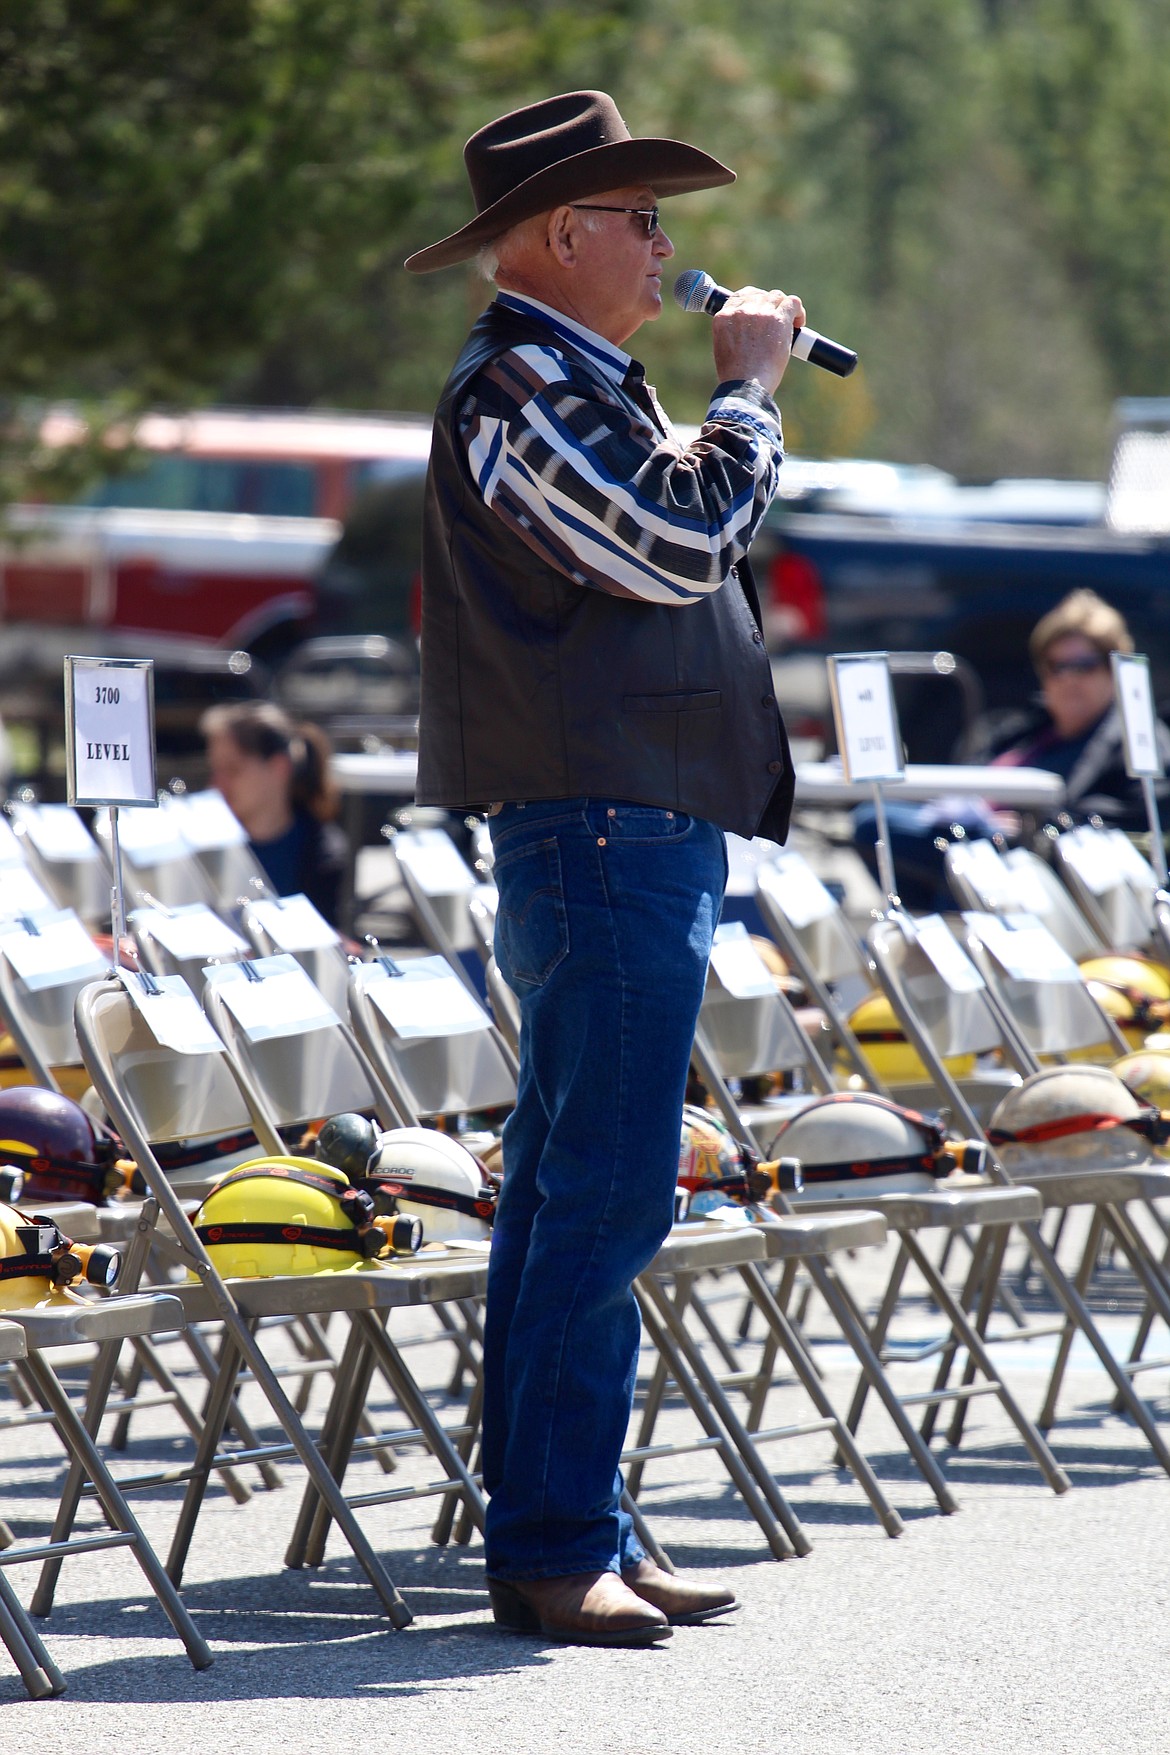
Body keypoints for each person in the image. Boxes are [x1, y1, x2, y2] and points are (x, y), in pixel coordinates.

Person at [405, 89, 804, 1646]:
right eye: (641, 218)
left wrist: (720, 408)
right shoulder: (516, 384)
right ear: (558, 233)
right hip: (597, 823)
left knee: (578, 1187)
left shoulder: (575, 378)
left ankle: (576, 1519)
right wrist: (751, 395)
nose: (667, 247)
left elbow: (673, 534)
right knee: (606, 1188)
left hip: (635, 821)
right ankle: (555, 1537)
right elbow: (680, 537)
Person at [852, 589, 1170, 909]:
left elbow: (1136, 817)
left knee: (960, 865)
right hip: (971, 838)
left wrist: (1034, 823)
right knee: (874, 821)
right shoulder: (1028, 729)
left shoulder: (1134, 742)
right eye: (1057, 666)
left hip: (1030, 861)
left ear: (1113, 670)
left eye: (1084, 665)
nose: (1069, 679)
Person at [200, 701, 348, 926]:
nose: (217, 784)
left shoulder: (324, 854)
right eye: (215, 770)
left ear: (279, 768)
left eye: (232, 770)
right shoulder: (202, 845)